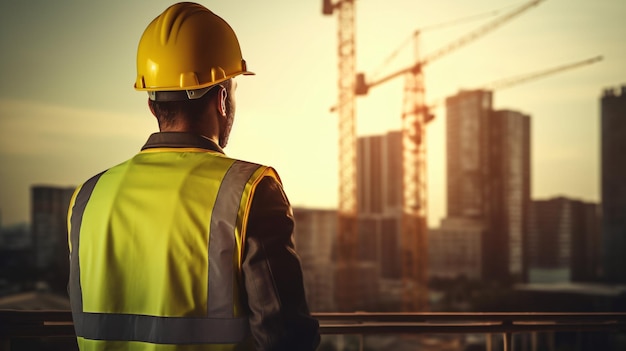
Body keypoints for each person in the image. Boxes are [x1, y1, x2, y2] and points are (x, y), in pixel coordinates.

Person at [66, 3, 320, 350]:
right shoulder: (250, 190)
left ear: (152, 104)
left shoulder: (87, 196)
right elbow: (284, 338)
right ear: (222, 100)